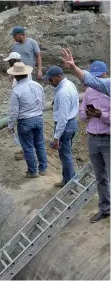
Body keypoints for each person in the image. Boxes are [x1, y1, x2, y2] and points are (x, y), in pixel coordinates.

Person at [79, 61, 110, 223]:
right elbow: (81, 115)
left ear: (106, 74)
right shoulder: (89, 92)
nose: (99, 80)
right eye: (95, 78)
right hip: (93, 139)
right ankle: (105, 209)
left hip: (108, 140)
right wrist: (87, 113)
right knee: (100, 177)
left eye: (100, 77)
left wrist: (101, 115)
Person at [7, 62, 48, 178]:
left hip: (25, 121)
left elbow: (14, 111)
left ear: (15, 76)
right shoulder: (37, 85)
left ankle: (33, 171)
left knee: (28, 147)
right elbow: (43, 102)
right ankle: (43, 169)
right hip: (38, 118)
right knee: (40, 144)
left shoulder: (16, 90)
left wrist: (10, 125)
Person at [42, 66, 79, 187]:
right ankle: (67, 179)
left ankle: (70, 183)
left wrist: (56, 138)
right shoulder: (69, 84)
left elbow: (62, 118)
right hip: (71, 122)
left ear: (58, 77)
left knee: (65, 155)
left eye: (51, 79)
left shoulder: (63, 92)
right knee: (65, 154)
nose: (49, 82)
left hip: (65, 125)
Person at [0, 51, 31, 161]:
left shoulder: (20, 81)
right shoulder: (22, 71)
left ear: (14, 61)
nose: (9, 63)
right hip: (27, 108)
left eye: (10, 61)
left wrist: (11, 124)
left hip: (23, 109)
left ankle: (27, 154)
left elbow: (14, 108)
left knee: (25, 134)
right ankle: (28, 151)